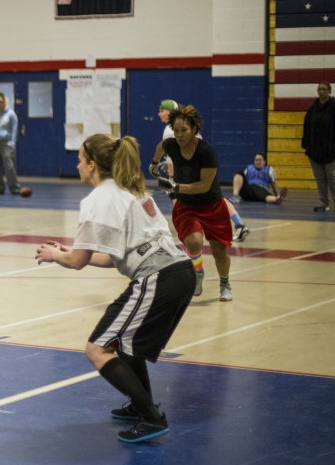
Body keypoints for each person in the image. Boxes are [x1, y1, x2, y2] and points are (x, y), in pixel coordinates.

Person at [36, 134, 194, 443]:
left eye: (80, 159)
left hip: (158, 276)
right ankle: (141, 405)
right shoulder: (131, 190)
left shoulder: (98, 199)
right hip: (179, 271)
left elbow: (77, 261)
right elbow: (114, 256)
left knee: (97, 349)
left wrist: (58, 255)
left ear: (92, 164)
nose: (77, 164)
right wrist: (70, 251)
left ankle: (151, 416)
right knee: (125, 343)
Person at [151, 105, 235, 302]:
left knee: (219, 252)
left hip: (212, 206)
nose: (179, 135)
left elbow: (204, 185)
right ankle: (198, 273)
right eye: (176, 130)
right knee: (193, 242)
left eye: (184, 130)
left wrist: (176, 187)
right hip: (187, 207)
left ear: (194, 129)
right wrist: (154, 164)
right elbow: (160, 147)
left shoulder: (206, 152)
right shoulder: (171, 144)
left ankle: (225, 283)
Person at [158, 99, 250, 243]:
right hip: (200, 167)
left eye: (162, 110)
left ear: (170, 112)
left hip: (191, 172)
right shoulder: (183, 127)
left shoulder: (170, 132)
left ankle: (191, 226)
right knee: (215, 197)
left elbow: (176, 156)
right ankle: (238, 223)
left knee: (183, 198)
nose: (159, 114)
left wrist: (172, 177)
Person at [301, 82, 335, 213]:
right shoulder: (312, 109)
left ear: (329, 91)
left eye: (324, 89)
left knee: (332, 177)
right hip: (315, 150)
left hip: (330, 149)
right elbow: (307, 127)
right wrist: (306, 145)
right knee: (320, 179)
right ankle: (323, 203)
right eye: (319, 89)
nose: (321, 91)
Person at [0, 92, 23, 195]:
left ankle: (14, 187)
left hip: (6, 143)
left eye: (1, 101)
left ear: (5, 101)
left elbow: (14, 129)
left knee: (9, 166)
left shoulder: (11, 114)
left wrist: (12, 143)